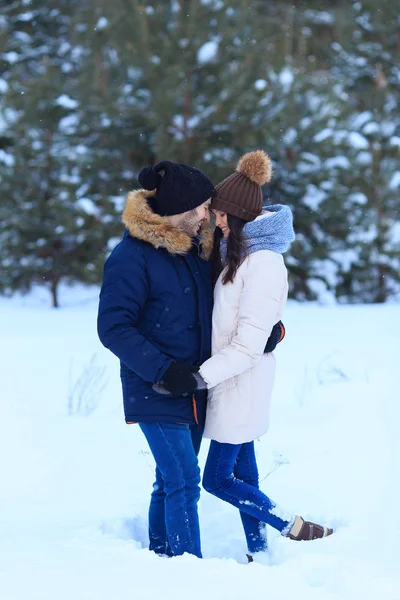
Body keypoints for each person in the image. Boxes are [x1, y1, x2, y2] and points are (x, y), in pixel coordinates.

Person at [196, 150, 333, 559]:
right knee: (244, 472)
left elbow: (247, 344)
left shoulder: (264, 263)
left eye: (220, 214)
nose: (215, 221)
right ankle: (260, 548)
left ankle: (293, 527)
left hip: (240, 380)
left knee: (217, 480)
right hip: (232, 378)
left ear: (237, 216)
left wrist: (200, 376)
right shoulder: (238, 255)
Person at [97, 160, 215, 559]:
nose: (207, 216)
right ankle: (187, 570)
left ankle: (163, 559)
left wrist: (264, 329)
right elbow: (113, 327)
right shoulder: (131, 257)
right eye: (201, 209)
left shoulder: (193, 252)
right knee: (183, 478)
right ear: (181, 208)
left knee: (169, 480)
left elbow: (215, 308)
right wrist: (164, 370)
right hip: (155, 386)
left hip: (194, 388)